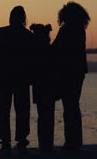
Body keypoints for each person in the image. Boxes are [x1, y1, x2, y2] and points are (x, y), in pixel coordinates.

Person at [0, 6, 33, 154]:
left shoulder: (1, 32)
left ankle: (5, 140)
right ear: (23, 18)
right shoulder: (27, 35)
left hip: (4, 77)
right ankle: (22, 139)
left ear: (10, 17)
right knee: (22, 109)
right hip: (22, 78)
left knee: (3, 109)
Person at [52, 2, 90, 151]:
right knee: (74, 106)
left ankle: (70, 143)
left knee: (68, 107)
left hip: (67, 72)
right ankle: (76, 142)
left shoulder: (65, 30)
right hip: (79, 72)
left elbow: (55, 49)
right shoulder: (81, 30)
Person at [29, 23, 57, 152]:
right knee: (49, 116)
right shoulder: (51, 50)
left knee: (42, 116)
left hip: (39, 86)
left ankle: (43, 144)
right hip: (51, 86)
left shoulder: (34, 52)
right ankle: (48, 144)